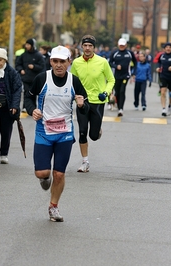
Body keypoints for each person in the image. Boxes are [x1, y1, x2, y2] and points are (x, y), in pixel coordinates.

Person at [25, 45, 88, 222]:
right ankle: (45, 178)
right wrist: (32, 110)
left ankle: (53, 207)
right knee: (42, 173)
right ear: (50, 61)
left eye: (62, 61)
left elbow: (85, 107)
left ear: (69, 62)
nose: (58, 65)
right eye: (55, 61)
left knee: (59, 174)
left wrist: (82, 105)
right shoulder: (41, 78)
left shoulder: (74, 81)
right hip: (44, 131)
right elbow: (28, 97)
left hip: (65, 133)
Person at [70, 35, 115, 172]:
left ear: (94, 48)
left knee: (93, 136)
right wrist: (73, 96)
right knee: (82, 132)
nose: (88, 48)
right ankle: (85, 162)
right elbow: (72, 81)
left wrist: (106, 93)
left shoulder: (102, 62)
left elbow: (111, 80)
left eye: (90, 46)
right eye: (85, 46)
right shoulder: (76, 63)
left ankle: (97, 130)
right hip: (82, 102)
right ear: (82, 47)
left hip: (98, 102)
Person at [109, 38, 137, 116]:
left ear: (126, 45)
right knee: (117, 91)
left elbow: (135, 62)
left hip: (126, 75)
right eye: (120, 45)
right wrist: (116, 66)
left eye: (123, 45)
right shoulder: (115, 53)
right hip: (117, 76)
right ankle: (118, 104)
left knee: (122, 91)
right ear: (118, 45)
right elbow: (110, 63)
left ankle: (121, 109)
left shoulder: (129, 53)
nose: (122, 46)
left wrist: (134, 72)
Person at [15, 38, 45, 111]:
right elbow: (18, 64)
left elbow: (42, 66)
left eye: (28, 44)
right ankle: (25, 107)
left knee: (33, 94)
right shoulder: (23, 55)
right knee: (26, 92)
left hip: (35, 78)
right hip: (26, 78)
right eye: (26, 44)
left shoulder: (38, 55)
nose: (27, 46)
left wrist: (34, 67)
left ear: (32, 45)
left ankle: (33, 108)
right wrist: (21, 69)